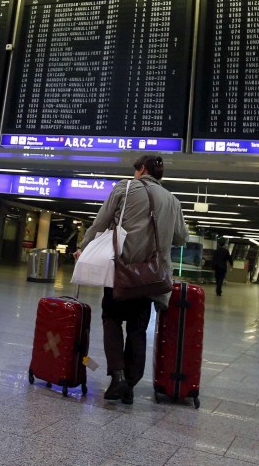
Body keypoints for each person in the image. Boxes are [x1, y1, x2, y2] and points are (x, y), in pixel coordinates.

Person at [74, 154, 186, 404]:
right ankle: (130, 387)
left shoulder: (124, 187)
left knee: (112, 319)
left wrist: (83, 247)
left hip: (120, 271)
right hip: (150, 278)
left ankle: (118, 377)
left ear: (142, 169)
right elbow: (181, 238)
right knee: (138, 328)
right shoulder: (172, 200)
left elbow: (100, 223)